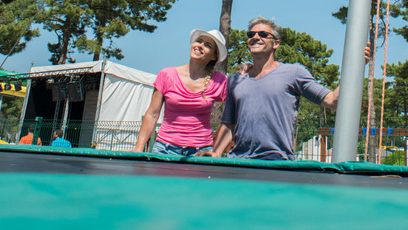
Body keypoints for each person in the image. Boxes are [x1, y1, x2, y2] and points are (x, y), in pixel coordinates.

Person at [213, 18, 341, 161]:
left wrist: (357, 64)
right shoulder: (236, 79)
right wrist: (216, 153)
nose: (255, 37)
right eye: (251, 34)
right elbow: (228, 123)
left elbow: (332, 101)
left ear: (276, 43)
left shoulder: (294, 73)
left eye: (263, 34)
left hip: (276, 160)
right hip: (239, 159)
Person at [135, 28, 228, 156]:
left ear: (214, 56)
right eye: (199, 41)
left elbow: (231, 118)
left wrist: (217, 151)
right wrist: (138, 149)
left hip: (201, 153)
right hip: (164, 149)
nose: (200, 46)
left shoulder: (220, 81)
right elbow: (152, 113)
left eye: (207, 45)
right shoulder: (166, 74)